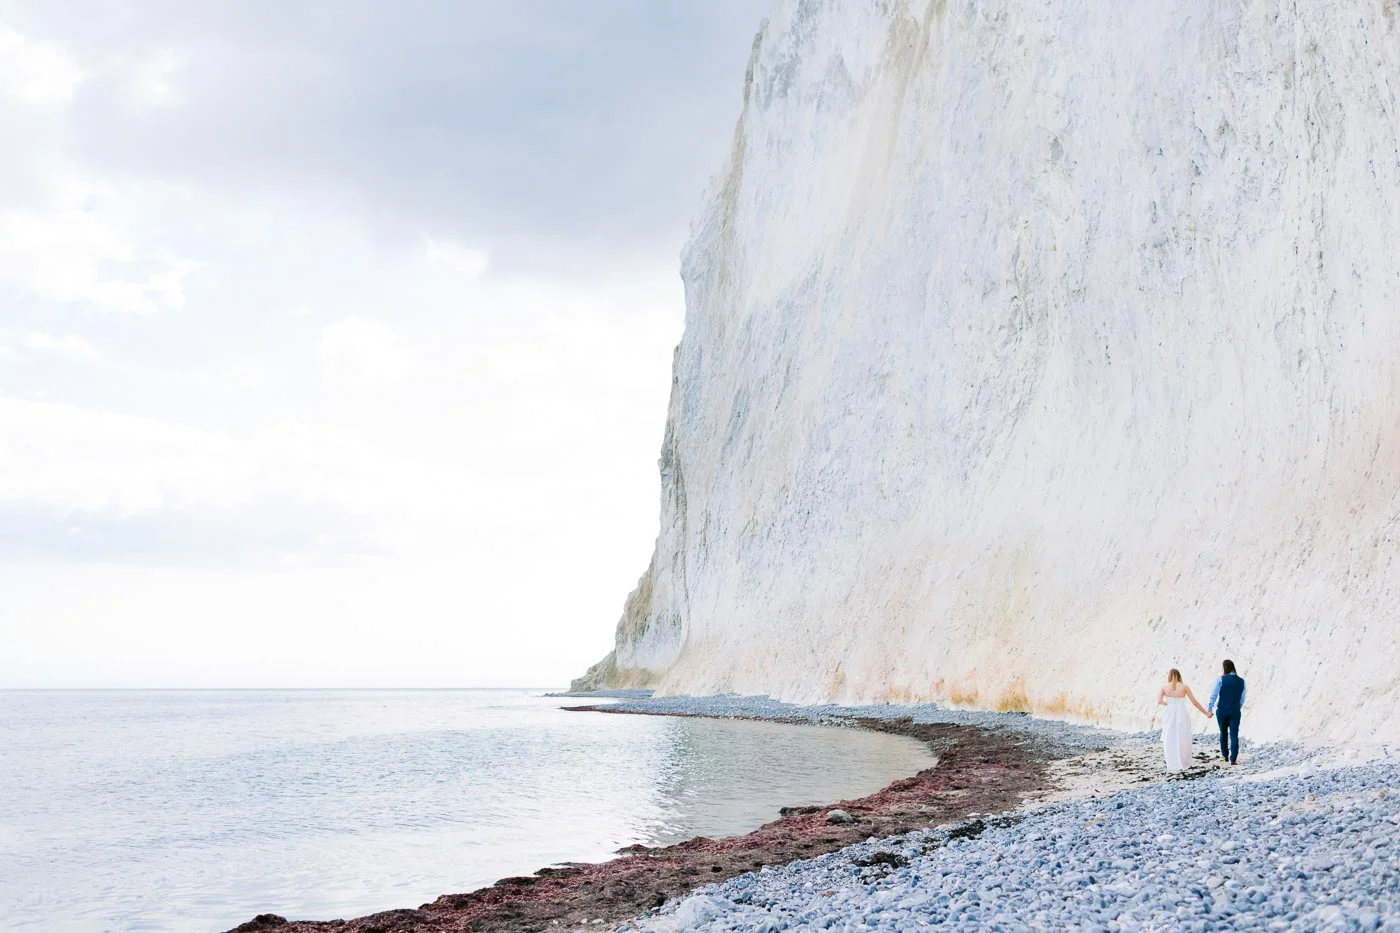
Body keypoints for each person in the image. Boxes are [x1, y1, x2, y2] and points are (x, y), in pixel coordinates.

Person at [1157, 668, 1209, 770]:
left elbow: (1159, 701)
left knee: (1170, 737)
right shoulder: (1184, 687)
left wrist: (1168, 704)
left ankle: (1172, 763)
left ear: (1169, 676)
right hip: (1181, 713)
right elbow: (1194, 702)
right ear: (1179, 676)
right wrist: (1206, 713)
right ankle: (1183, 762)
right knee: (1182, 737)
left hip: (1169, 713)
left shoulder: (1164, 687)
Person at [1205, 659, 1247, 764]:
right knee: (1234, 735)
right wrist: (1237, 707)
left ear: (1225, 668)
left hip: (1222, 710)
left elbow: (1214, 694)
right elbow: (1242, 698)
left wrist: (1209, 708)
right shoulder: (1242, 681)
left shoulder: (1221, 679)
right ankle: (1233, 759)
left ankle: (1225, 756)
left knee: (1223, 733)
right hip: (1235, 711)